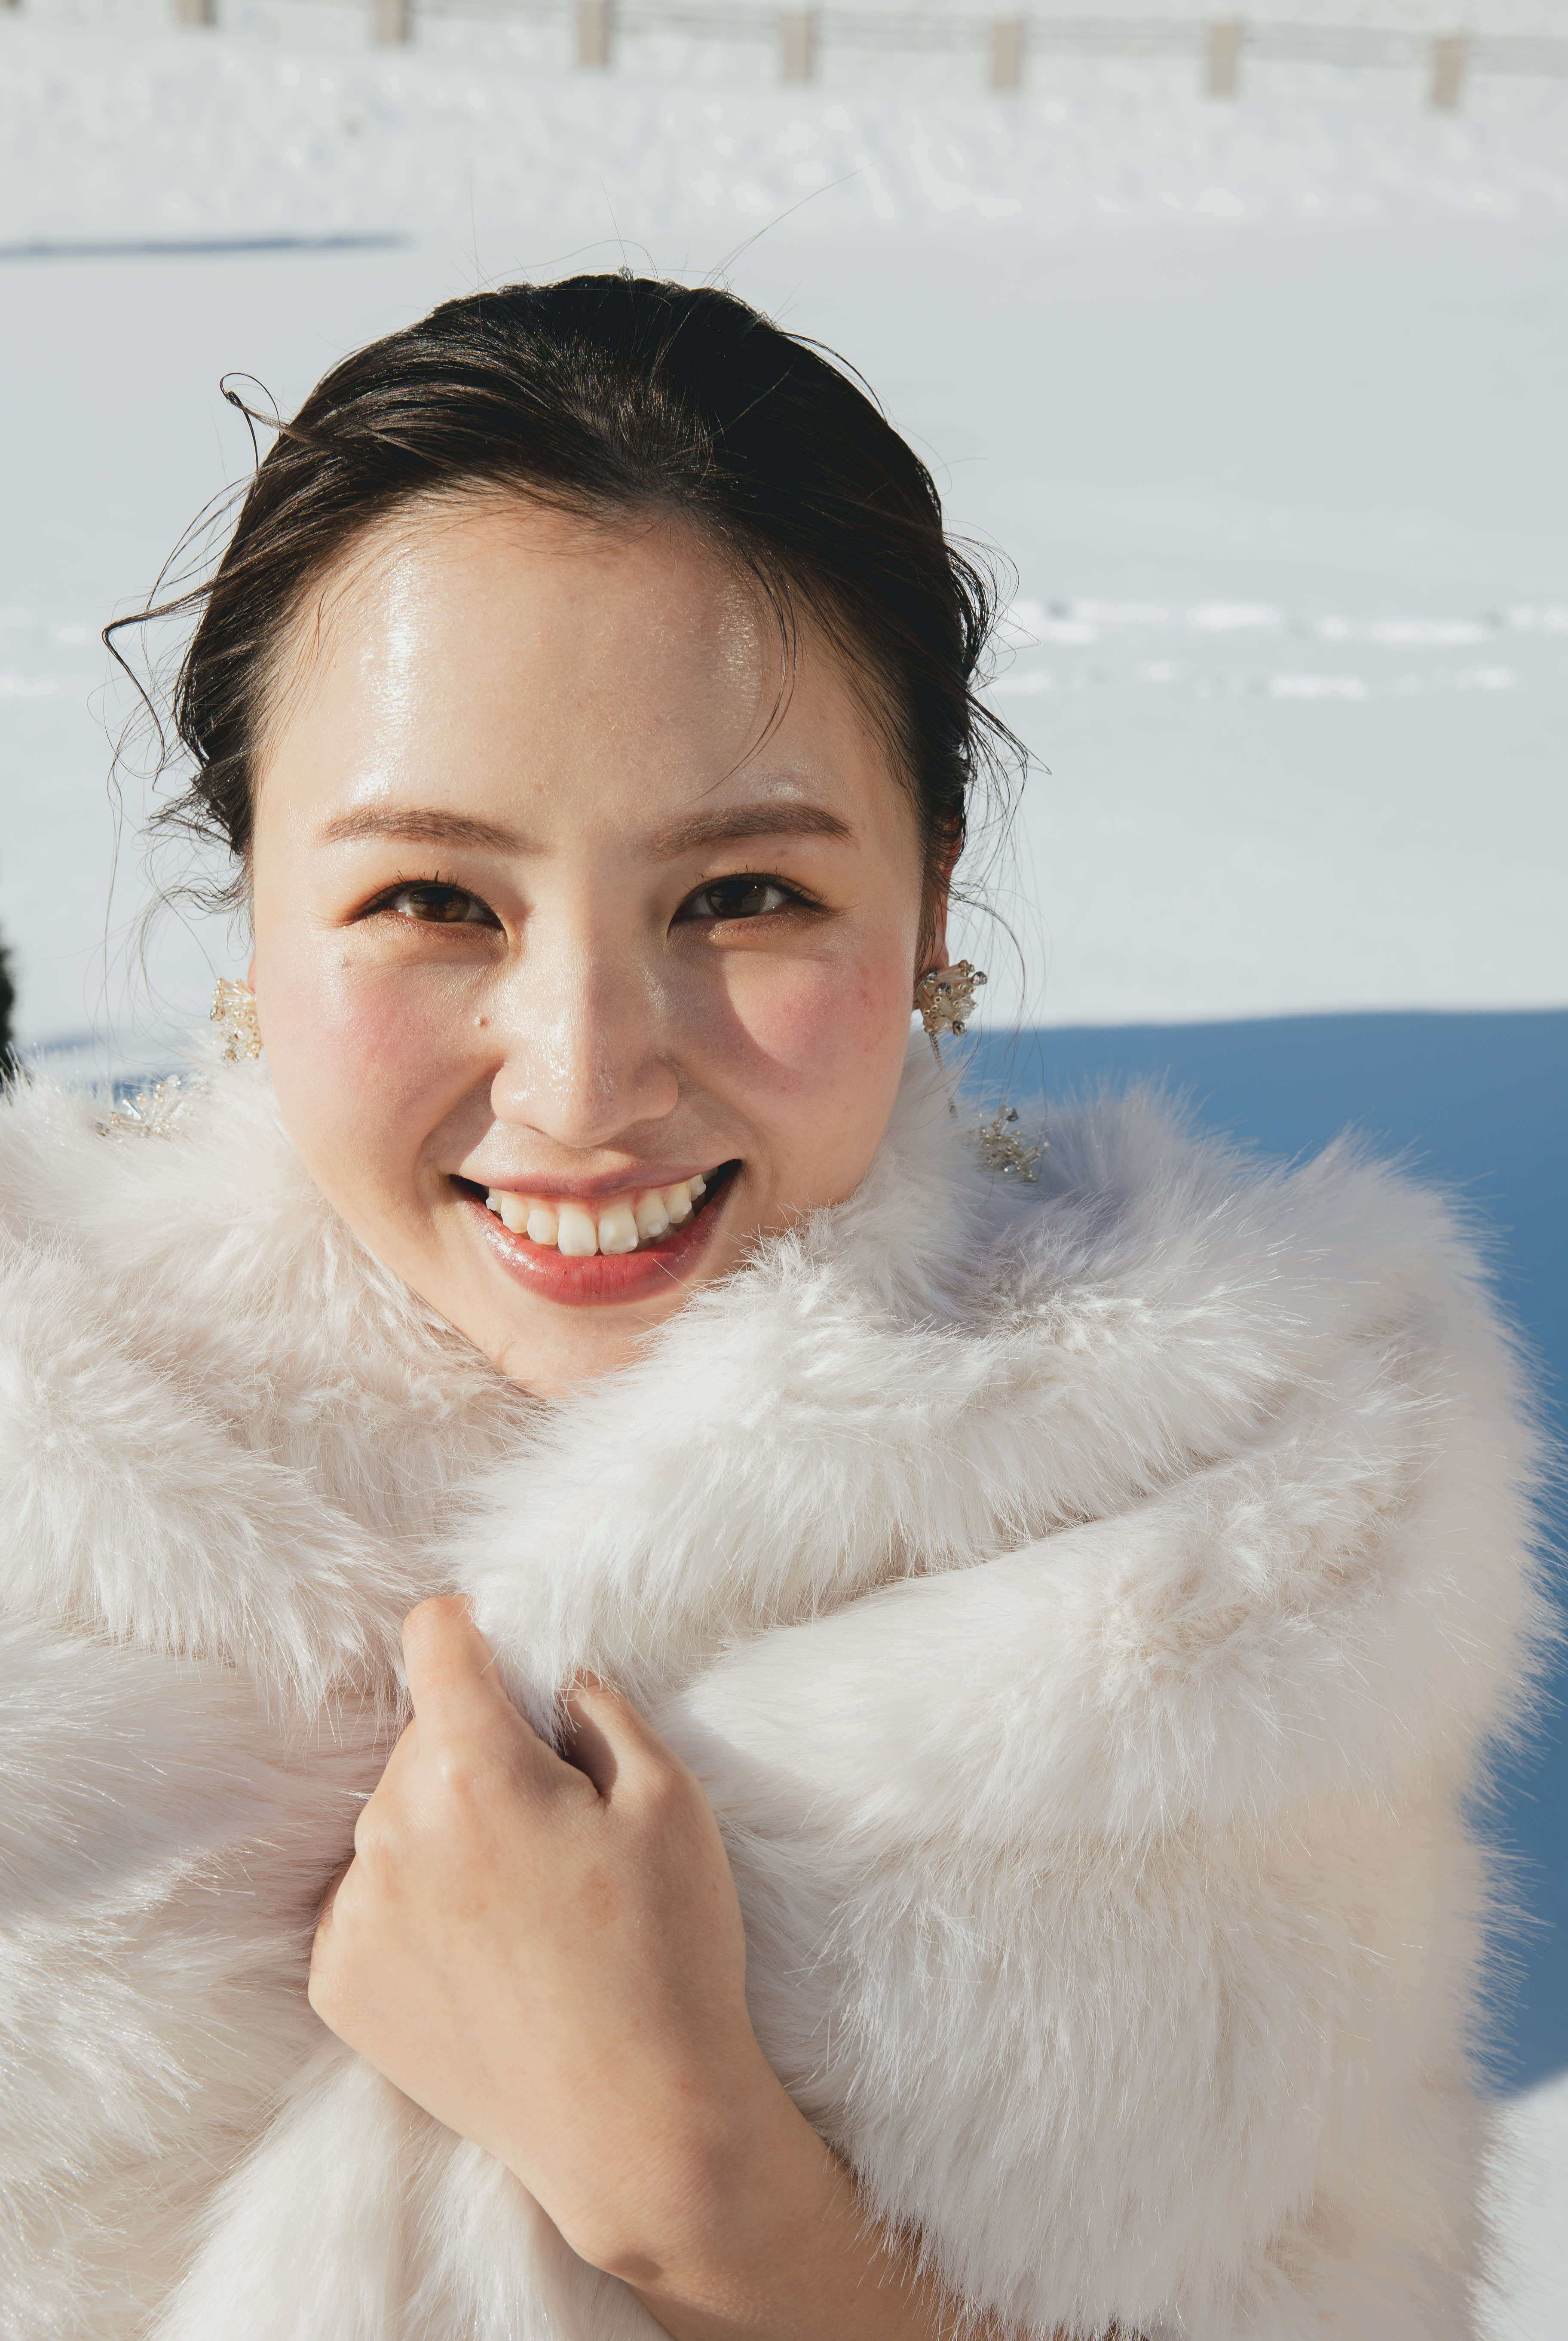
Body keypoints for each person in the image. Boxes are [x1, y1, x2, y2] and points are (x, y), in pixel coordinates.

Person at [0, 274, 1545, 2341]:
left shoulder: (1245, 1520)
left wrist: (703, 2188)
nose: (580, 1079)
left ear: (930, 892)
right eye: (432, 899)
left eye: (742, 896)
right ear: (254, 904)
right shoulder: (40, 1451)